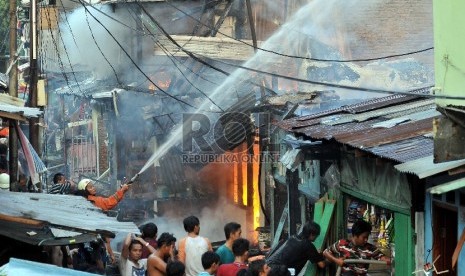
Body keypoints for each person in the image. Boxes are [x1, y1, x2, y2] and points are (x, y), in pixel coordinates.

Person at [323, 220, 391, 276]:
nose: (366, 240)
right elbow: (326, 252)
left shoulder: (370, 248)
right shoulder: (342, 244)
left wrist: (391, 260)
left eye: (367, 237)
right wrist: (336, 260)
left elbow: (383, 258)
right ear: (355, 235)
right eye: (364, 237)